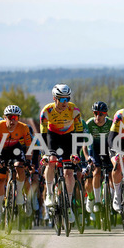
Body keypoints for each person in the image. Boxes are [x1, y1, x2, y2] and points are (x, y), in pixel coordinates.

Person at [39, 84, 84, 224]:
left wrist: (76, 153)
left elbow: (80, 133)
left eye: (67, 99)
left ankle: (68, 205)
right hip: (52, 137)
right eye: (62, 99)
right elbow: (43, 134)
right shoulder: (46, 111)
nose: (65, 102)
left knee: (69, 173)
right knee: (52, 160)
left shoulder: (74, 110)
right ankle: (49, 193)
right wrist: (45, 154)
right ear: (55, 99)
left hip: (68, 138)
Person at [0, 105, 33, 226]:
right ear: (5, 117)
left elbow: (29, 146)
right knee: (0, 179)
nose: (13, 121)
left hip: (15, 149)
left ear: (18, 118)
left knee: (20, 167)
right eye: (10, 117)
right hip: (1, 150)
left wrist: (28, 160)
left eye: (15, 118)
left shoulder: (23, 128)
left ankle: (19, 194)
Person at [82, 101, 114, 217]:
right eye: (95, 113)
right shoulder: (89, 124)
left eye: (101, 114)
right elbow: (85, 145)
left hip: (107, 148)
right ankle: (97, 201)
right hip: (94, 148)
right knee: (96, 171)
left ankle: (113, 198)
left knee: (111, 172)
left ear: (105, 114)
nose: (98, 116)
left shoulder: (111, 123)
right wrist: (87, 158)